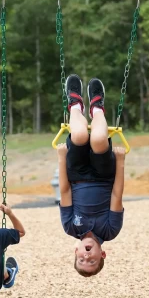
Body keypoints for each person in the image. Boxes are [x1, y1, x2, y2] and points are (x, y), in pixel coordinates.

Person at [57, 74, 125, 278]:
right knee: (97, 138)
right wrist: (120, 162)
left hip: (76, 175)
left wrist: (62, 158)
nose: (87, 256)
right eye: (92, 260)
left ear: (75, 252)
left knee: (78, 135)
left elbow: (65, 190)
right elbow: (116, 196)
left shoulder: (70, 227)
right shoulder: (110, 231)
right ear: (102, 253)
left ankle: (75, 104)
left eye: (81, 259)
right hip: (104, 177)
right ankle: (97, 108)